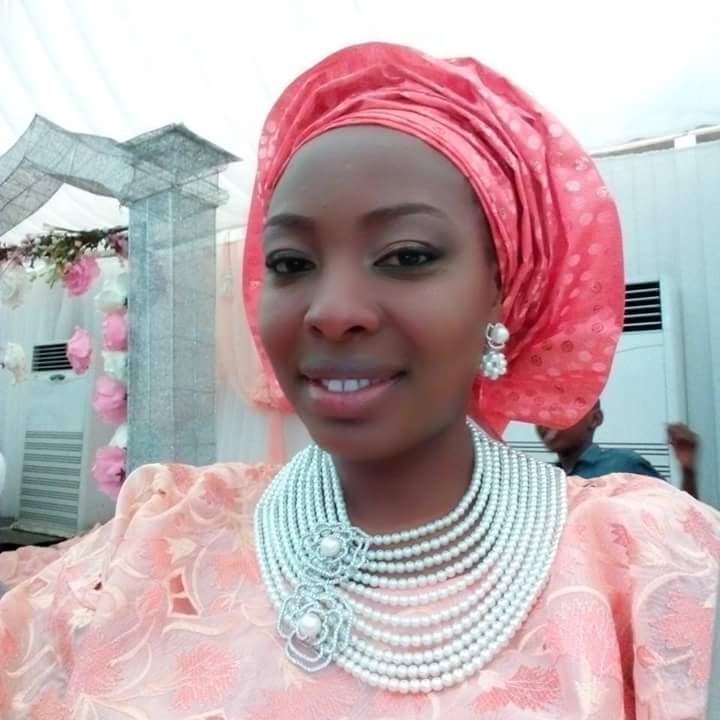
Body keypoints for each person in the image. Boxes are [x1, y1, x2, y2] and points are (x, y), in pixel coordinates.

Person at [1, 42, 718, 719]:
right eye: (290, 263)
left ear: (505, 289)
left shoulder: (642, 562)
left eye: (406, 255)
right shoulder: (164, 533)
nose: (331, 311)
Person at [535, 401, 663, 479]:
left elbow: (670, 507)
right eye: (539, 413)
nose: (546, 420)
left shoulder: (624, 466)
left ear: (595, 419)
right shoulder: (546, 479)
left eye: (559, 411)